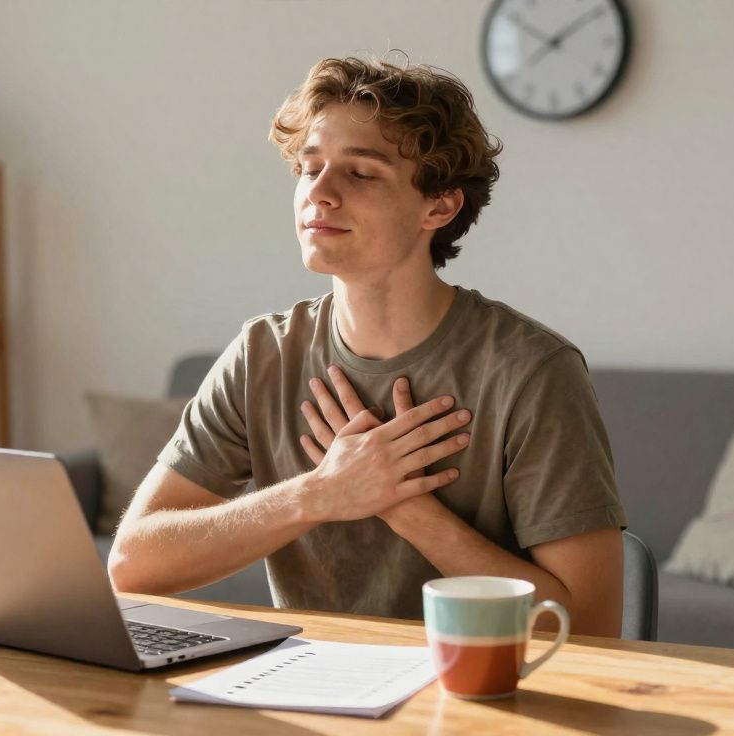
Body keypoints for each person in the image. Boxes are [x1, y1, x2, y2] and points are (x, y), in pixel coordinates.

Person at [108, 54, 626, 637]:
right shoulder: (262, 355)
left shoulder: (531, 371)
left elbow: (589, 626)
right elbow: (132, 565)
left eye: (360, 173)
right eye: (310, 168)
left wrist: (404, 506)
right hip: (306, 692)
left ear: (440, 205)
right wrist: (321, 493)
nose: (319, 194)